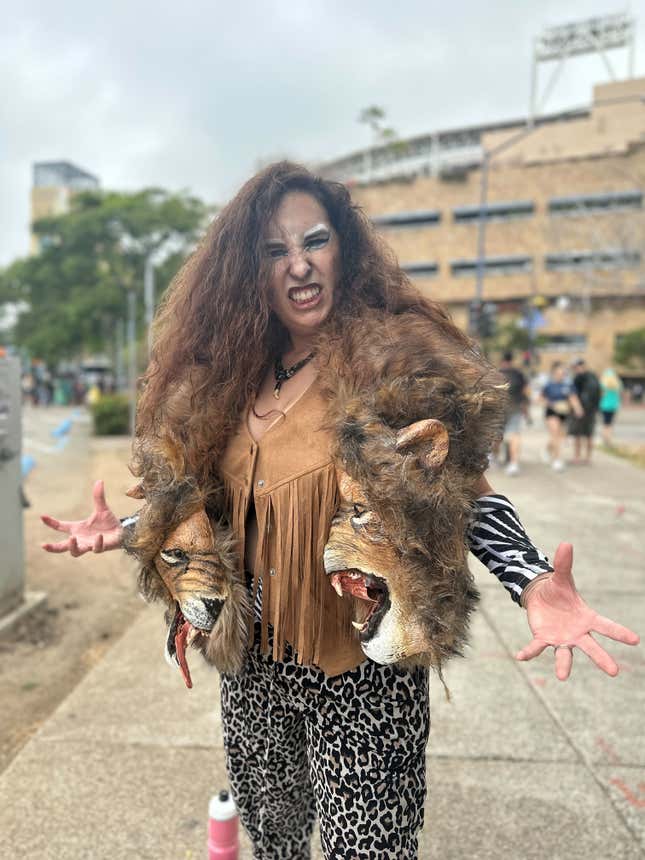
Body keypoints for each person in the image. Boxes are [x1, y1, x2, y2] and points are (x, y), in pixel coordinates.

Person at [41, 163, 639, 860]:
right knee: (275, 843)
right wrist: (126, 533)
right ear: (247, 271)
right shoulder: (224, 381)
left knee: (370, 851)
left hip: (363, 677)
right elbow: (217, 512)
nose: (298, 266)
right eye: (274, 251)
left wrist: (530, 578)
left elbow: (460, 491)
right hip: (255, 672)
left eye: (314, 242)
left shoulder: (392, 367)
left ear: (342, 250)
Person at [540, 361, 582, 472]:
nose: (562, 373)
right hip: (552, 412)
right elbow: (541, 398)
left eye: (563, 372)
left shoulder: (568, 385)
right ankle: (557, 460)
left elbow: (573, 398)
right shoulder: (549, 385)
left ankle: (547, 449)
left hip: (564, 414)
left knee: (559, 436)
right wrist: (551, 404)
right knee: (555, 434)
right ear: (554, 373)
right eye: (560, 371)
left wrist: (578, 409)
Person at [497, 350, 529, 476]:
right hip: (515, 407)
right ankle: (514, 463)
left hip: (499, 409)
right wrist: (526, 409)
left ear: (502, 361)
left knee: (496, 436)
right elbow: (526, 392)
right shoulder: (519, 374)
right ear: (511, 361)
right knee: (514, 434)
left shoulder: (496, 373)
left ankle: (494, 459)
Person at [569, 358, 601, 464]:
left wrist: (577, 408)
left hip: (581, 409)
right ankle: (587, 458)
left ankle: (578, 457)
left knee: (579, 434)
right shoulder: (593, 376)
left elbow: (573, 394)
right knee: (588, 434)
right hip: (591, 410)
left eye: (575, 367)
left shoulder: (578, 378)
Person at [599, 368, 623, 447]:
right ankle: (609, 439)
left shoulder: (603, 384)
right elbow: (620, 395)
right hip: (613, 406)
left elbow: (601, 395)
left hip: (604, 405)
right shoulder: (618, 384)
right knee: (610, 423)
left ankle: (605, 439)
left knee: (605, 423)